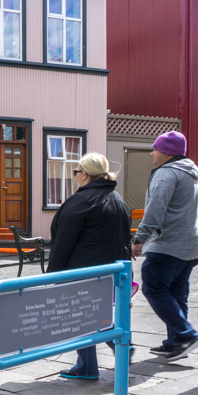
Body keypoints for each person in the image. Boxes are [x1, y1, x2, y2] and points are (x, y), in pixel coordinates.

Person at [48, 153, 132, 380]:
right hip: (111, 271)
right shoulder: (117, 199)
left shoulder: (79, 202)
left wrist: (52, 275)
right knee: (94, 313)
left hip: (81, 271)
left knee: (82, 317)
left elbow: (63, 241)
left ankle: (112, 348)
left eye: (76, 172)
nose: (75, 176)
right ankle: (92, 361)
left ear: (84, 175)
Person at [133, 131, 198, 361]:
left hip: (168, 244)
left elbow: (155, 210)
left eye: (154, 149)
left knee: (153, 287)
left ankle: (186, 335)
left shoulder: (166, 173)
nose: (152, 153)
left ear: (166, 152)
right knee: (176, 294)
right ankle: (177, 344)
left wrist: (139, 239)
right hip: (192, 244)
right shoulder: (194, 173)